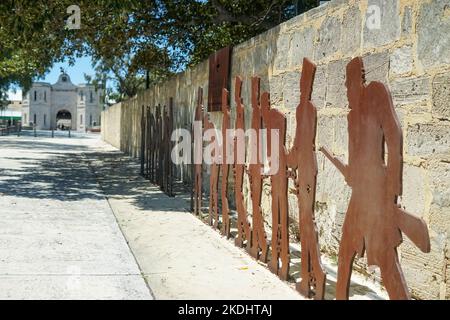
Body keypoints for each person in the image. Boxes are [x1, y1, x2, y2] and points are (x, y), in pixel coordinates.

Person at [320, 57, 430, 300]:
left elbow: (394, 134)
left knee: (385, 261)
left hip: (379, 195)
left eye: (348, 86)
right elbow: (354, 168)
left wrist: (392, 191)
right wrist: (347, 171)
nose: (347, 93)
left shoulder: (376, 94)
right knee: (345, 252)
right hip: (360, 196)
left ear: (358, 81)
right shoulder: (351, 118)